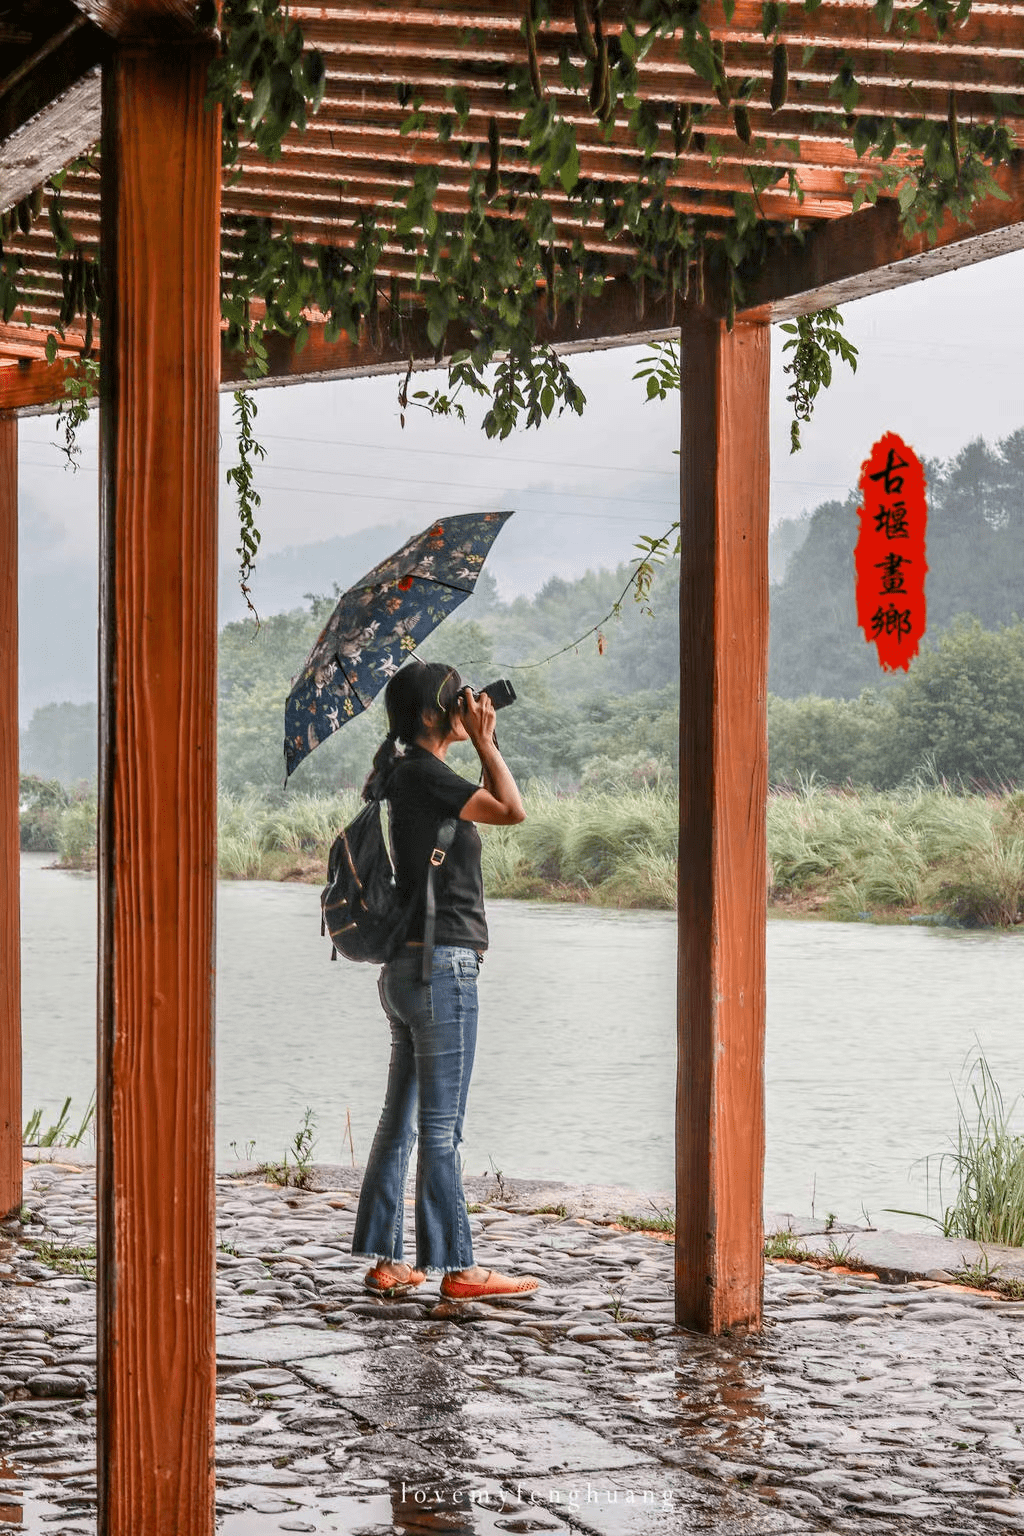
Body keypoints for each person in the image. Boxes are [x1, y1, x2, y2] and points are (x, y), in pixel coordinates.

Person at [351, 659, 540, 1301]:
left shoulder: (408, 774)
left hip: (406, 970)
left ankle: (387, 1258)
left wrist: (482, 741)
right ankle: (458, 1268)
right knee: (440, 1127)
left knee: (398, 1120)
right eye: (456, 699)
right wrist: (487, 740)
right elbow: (511, 809)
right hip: (442, 970)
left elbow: (486, 805)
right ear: (433, 715)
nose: (469, 705)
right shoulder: (425, 774)